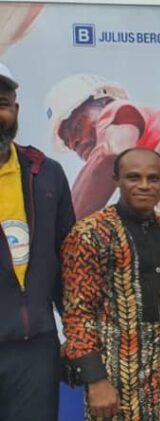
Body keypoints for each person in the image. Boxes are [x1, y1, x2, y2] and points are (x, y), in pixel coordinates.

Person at [62, 148, 160, 420]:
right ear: (116, 179)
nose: (144, 185)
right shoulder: (90, 233)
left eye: (153, 178)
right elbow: (78, 315)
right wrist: (95, 380)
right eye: (133, 177)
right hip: (116, 384)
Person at [0, 61, 76, 421]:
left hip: (35, 350)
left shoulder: (45, 172)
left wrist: (76, 334)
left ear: (15, 111)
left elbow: (68, 263)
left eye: (2, 104)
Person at [46, 74, 160, 218]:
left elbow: (111, 152)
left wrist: (66, 225)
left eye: (77, 126)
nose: (75, 142)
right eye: (69, 142)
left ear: (104, 102)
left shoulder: (116, 109)